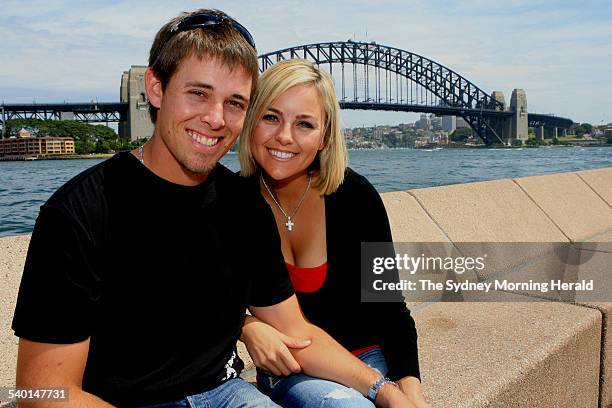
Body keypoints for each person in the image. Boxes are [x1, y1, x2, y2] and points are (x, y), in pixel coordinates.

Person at [11, 9, 414, 408]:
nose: (216, 119)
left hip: (226, 391)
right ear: (155, 88)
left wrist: (386, 391)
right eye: (198, 93)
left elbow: (297, 330)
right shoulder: (76, 213)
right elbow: (36, 393)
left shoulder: (243, 205)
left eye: (235, 102)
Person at [238, 59, 431, 407]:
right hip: (294, 369)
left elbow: (390, 310)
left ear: (325, 136)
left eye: (304, 124)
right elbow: (208, 298)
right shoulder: (233, 204)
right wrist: (247, 324)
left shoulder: (356, 198)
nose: (284, 136)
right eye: (271, 117)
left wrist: (412, 394)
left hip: (372, 360)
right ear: (252, 122)